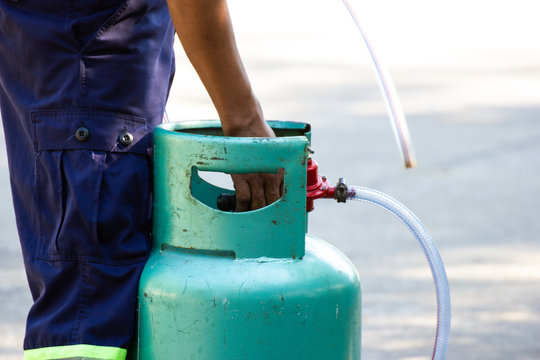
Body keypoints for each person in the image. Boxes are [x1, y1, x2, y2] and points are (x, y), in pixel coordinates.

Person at [0, 0, 281, 358]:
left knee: (84, 306)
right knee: (87, 315)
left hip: (73, 76)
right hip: (91, 93)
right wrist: (244, 120)